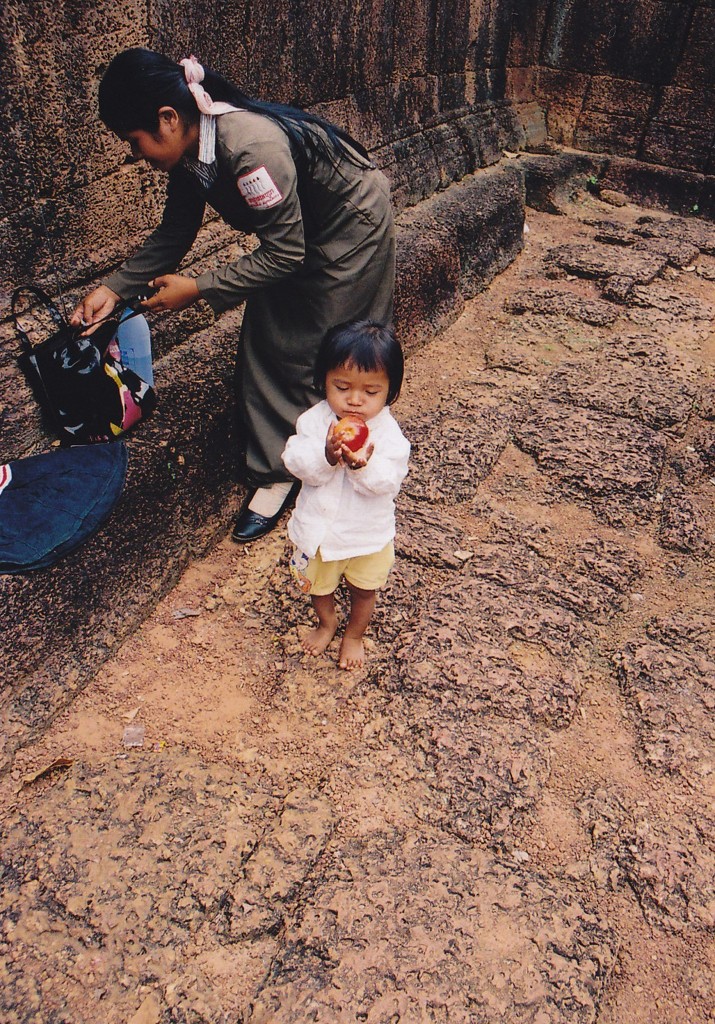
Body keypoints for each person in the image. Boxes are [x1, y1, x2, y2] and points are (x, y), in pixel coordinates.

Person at [71, 48, 395, 541]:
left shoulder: (247, 148)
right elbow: (175, 232)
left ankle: (342, 458)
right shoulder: (192, 152)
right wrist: (113, 289)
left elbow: (285, 255)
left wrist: (199, 289)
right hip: (299, 236)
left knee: (332, 347)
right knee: (267, 340)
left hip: (350, 229)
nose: (135, 156)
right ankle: (282, 467)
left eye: (134, 143)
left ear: (167, 118)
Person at [281, 321, 409, 669]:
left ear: (389, 392)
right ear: (324, 380)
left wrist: (361, 466)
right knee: (319, 587)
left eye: (371, 392)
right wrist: (325, 456)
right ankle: (327, 623)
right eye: (342, 386)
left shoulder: (389, 434)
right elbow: (294, 460)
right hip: (320, 533)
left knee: (365, 590)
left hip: (366, 535)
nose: (354, 400)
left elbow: (389, 481)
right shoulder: (314, 420)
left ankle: (353, 634)